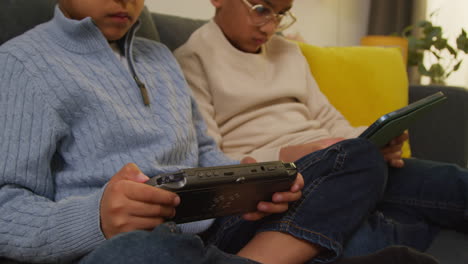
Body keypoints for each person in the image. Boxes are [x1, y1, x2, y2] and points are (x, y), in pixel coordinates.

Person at [0, 0, 440, 264]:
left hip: (216, 226)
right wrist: (94, 218)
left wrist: (251, 177)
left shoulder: (159, 57)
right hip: (123, 244)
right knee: (142, 254)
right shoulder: (22, 63)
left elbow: (207, 153)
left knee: (356, 158)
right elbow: (7, 208)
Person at [174, 0, 468, 260]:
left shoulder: (288, 52)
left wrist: (374, 135)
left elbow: (329, 120)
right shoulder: (190, 61)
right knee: (363, 227)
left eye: (282, 13)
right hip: (280, 174)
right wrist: (287, 154)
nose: (270, 25)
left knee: (450, 181)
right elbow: (209, 159)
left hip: (343, 160)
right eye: (262, 9)